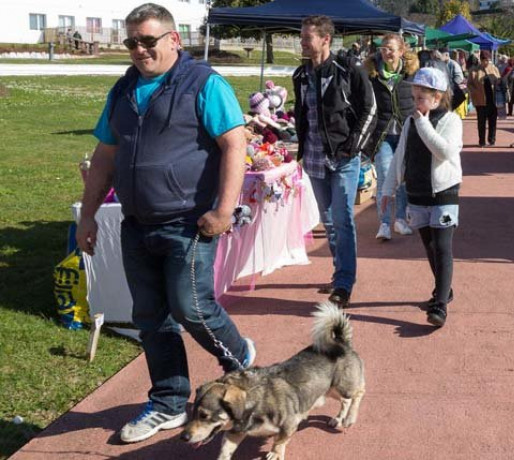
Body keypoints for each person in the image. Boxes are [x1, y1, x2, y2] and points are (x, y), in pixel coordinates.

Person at [76, 3, 255, 443]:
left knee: (190, 306)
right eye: (131, 42)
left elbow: (234, 144)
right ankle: (169, 402)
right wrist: (90, 214)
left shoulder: (204, 84)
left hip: (188, 222)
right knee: (150, 317)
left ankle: (241, 360)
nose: (139, 50)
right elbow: (105, 156)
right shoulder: (122, 91)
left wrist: (224, 210)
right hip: (138, 222)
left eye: (148, 41)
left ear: (174, 40)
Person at [293, 15, 376, 307]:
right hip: (314, 160)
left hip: (343, 158)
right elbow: (301, 114)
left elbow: (370, 108)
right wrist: (299, 148)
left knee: (342, 220)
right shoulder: (300, 74)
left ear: (325, 39)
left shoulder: (348, 68)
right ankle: (340, 270)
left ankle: (343, 284)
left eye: (307, 38)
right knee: (328, 221)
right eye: (301, 37)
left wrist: (354, 146)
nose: (301, 42)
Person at [380, 67, 463, 327]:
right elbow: (399, 156)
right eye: (414, 97)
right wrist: (387, 189)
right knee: (428, 247)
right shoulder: (410, 122)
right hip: (417, 192)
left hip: (444, 192)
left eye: (421, 98)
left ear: (437, 98)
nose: (415, 103)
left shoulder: (451, 121)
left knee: (442, 247)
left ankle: (439, 305)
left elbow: (444, 152)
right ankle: (444, 289)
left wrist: (424, 123)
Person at [365, 33, 417, 241]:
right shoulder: (371, 73)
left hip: (405, 134)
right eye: (383, 48)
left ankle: (401, 220)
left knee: (403, 178)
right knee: (386, 177)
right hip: (382, 135)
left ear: (401, 51)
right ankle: (384, 223)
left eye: (391, 49)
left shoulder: (412, 73)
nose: (386, 52)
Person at [467, 53, 501, 147]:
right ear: (480, 60)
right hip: (480, 101)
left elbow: (499, 81)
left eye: (488, 60)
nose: (486, 62)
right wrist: (475, 91)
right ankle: (481, 141)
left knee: (492, 122)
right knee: (481, 122)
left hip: (492, 100)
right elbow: (469, 84)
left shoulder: (494, 69)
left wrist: (498, 82)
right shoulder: (474, 70)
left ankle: (492, 140)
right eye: (484, 60)